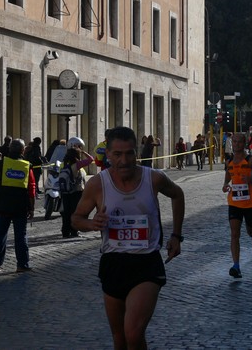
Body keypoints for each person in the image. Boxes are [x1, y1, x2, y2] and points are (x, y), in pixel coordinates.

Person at [72, 126, 185, 350]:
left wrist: (176, 235)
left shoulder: (153, 178)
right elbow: (76, 218)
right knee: (120, 339)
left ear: (136, 152)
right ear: (108, 154)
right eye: (117, 154)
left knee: (133, 332)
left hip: (146, 263)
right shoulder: (97, 184)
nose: (124, 160)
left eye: (129, 153)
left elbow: (177, 194)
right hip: (113, 263)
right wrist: (91, 224)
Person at [223, 133, 252, 278]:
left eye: (239, 142)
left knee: (250, 230)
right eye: (234, 142)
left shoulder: (251, 160)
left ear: (244, 143)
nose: (236, 144)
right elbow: (228, 176)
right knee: (234, 233)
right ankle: (236, 266)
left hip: (250, 204)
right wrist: (225, 185)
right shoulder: (229, 161)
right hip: (234, 203)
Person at [0, 139, 35, 274]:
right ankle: (22, 264)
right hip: (20, 207)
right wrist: (31, 208)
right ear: (22, 151)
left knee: (0, 236)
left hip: (3, 206)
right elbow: (31, 188)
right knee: (21, 236)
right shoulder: (27, 166)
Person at [60, 147, 93, 238]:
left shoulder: (64, 165)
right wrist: (83, 152)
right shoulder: (77, 165)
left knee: (66, 213)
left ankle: (65, 232)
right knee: (75, 213)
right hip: (76, 192)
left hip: (66, 192)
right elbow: (91, 159)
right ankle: (74, 231)